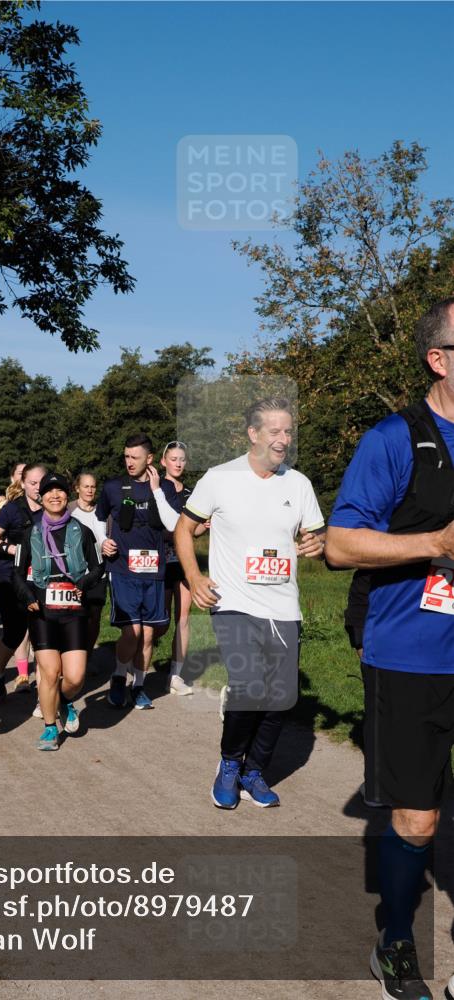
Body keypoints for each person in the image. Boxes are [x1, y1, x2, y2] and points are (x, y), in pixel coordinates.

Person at [325, 298, 454, 1000]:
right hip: (412, 654)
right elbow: (343, 545)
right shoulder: (394, 438)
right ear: (439, 360)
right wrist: (437, 543)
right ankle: (397, 941)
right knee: (418, 816)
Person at [175, 398, 325, 810]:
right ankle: (228, 764)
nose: (283, 439)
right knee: (248, 686)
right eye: (274, 431)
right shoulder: (220, 479)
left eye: (288, 431)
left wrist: (317, 543)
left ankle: (254, 771)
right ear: (253, 434)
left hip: (283, 606)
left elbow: (317, 536)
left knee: (280, 696)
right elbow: (183, 530)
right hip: (234, 600)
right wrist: (194, 577)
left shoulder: (298, 484)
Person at [12, 472, 105, 749]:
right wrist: (27, 595)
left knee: (75, 677)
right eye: (49, 491)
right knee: (50, 673)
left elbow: (99, 567)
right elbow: (17, 574)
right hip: (42, 611)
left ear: (68, 496)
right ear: (41, 497)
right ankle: (50, 729)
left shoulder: (82, 531)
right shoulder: (30, 533)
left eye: (60, 491)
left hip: (74, 610)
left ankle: (64, 701)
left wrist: (84, 584)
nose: (55, 496)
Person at [95, 434, 180, 710]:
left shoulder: (166, 488)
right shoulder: (113, 487)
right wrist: (102, 541)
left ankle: (140, 685)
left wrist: (156, 489)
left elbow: (174, 524)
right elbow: (98, 518)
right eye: (126, 457)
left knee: (147, 634)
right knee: (132, 631)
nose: (129, 462)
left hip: (154, 570)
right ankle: (119, 678)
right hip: (122, 569)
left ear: (150, 459)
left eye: (135, 457)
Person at [0, 463, 46, 699]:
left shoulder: (54, 508)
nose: (38, 488)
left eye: (42, 482)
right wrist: (13, 549)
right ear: (22, 484)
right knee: (14, 633)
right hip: (11, 578)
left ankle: (45, 696)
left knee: (43, 635)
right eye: (32, 483)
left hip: (42, 579)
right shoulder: (11, 509)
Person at [154, 441, 202, 696]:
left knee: (183, 618)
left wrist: (205, 525)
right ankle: (132, 662)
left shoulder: (193, 493)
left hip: (183, 560)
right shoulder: (156, 487)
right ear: (163, 462)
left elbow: (199, 526)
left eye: (182, 459)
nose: (178, 463)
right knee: (160, 623)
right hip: (160, 560)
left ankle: (176, 676)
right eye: (173, 459)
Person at [68, 471, 107, 665]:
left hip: (98, 572)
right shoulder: (68, 510)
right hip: (72, 574)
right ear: (77, 488)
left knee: (93, 619)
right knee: (74, 619)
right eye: (86, 486)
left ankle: (86, 658)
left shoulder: (103, 511)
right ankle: (69, 659)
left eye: (93, 486)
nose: (90, 490)